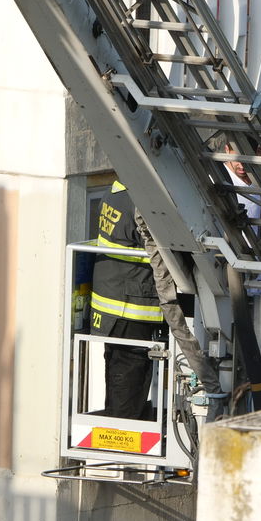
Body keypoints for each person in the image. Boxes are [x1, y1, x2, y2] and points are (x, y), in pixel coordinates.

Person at [90, 179, 166, 420]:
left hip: (116, 302)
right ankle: (122, 431)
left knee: (120, 372)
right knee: (129, 374)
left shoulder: (114, 192)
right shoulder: (139, 202)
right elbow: (163, 246)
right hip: (130, 304)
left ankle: (120, 425)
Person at [223, 142, 261, 222]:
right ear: (227, 149)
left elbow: (254, 211)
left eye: (246, 160)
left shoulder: (255, 177)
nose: (241, 166)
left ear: (258, 152)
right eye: (237, 159)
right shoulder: (218, 178)